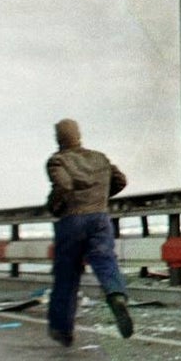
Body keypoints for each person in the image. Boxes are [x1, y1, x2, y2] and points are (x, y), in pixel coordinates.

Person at [44, 118, 133, 346]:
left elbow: (63, 186)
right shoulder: (99, 157)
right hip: (100, 218)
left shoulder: (58, 160)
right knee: (105, 261)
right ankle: (116, 295)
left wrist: (54, 206)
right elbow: (120, 180)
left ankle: (63, 330)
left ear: (59, 138)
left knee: (67, 275)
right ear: (79, 135)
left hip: (72, 220)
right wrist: (101, 197)